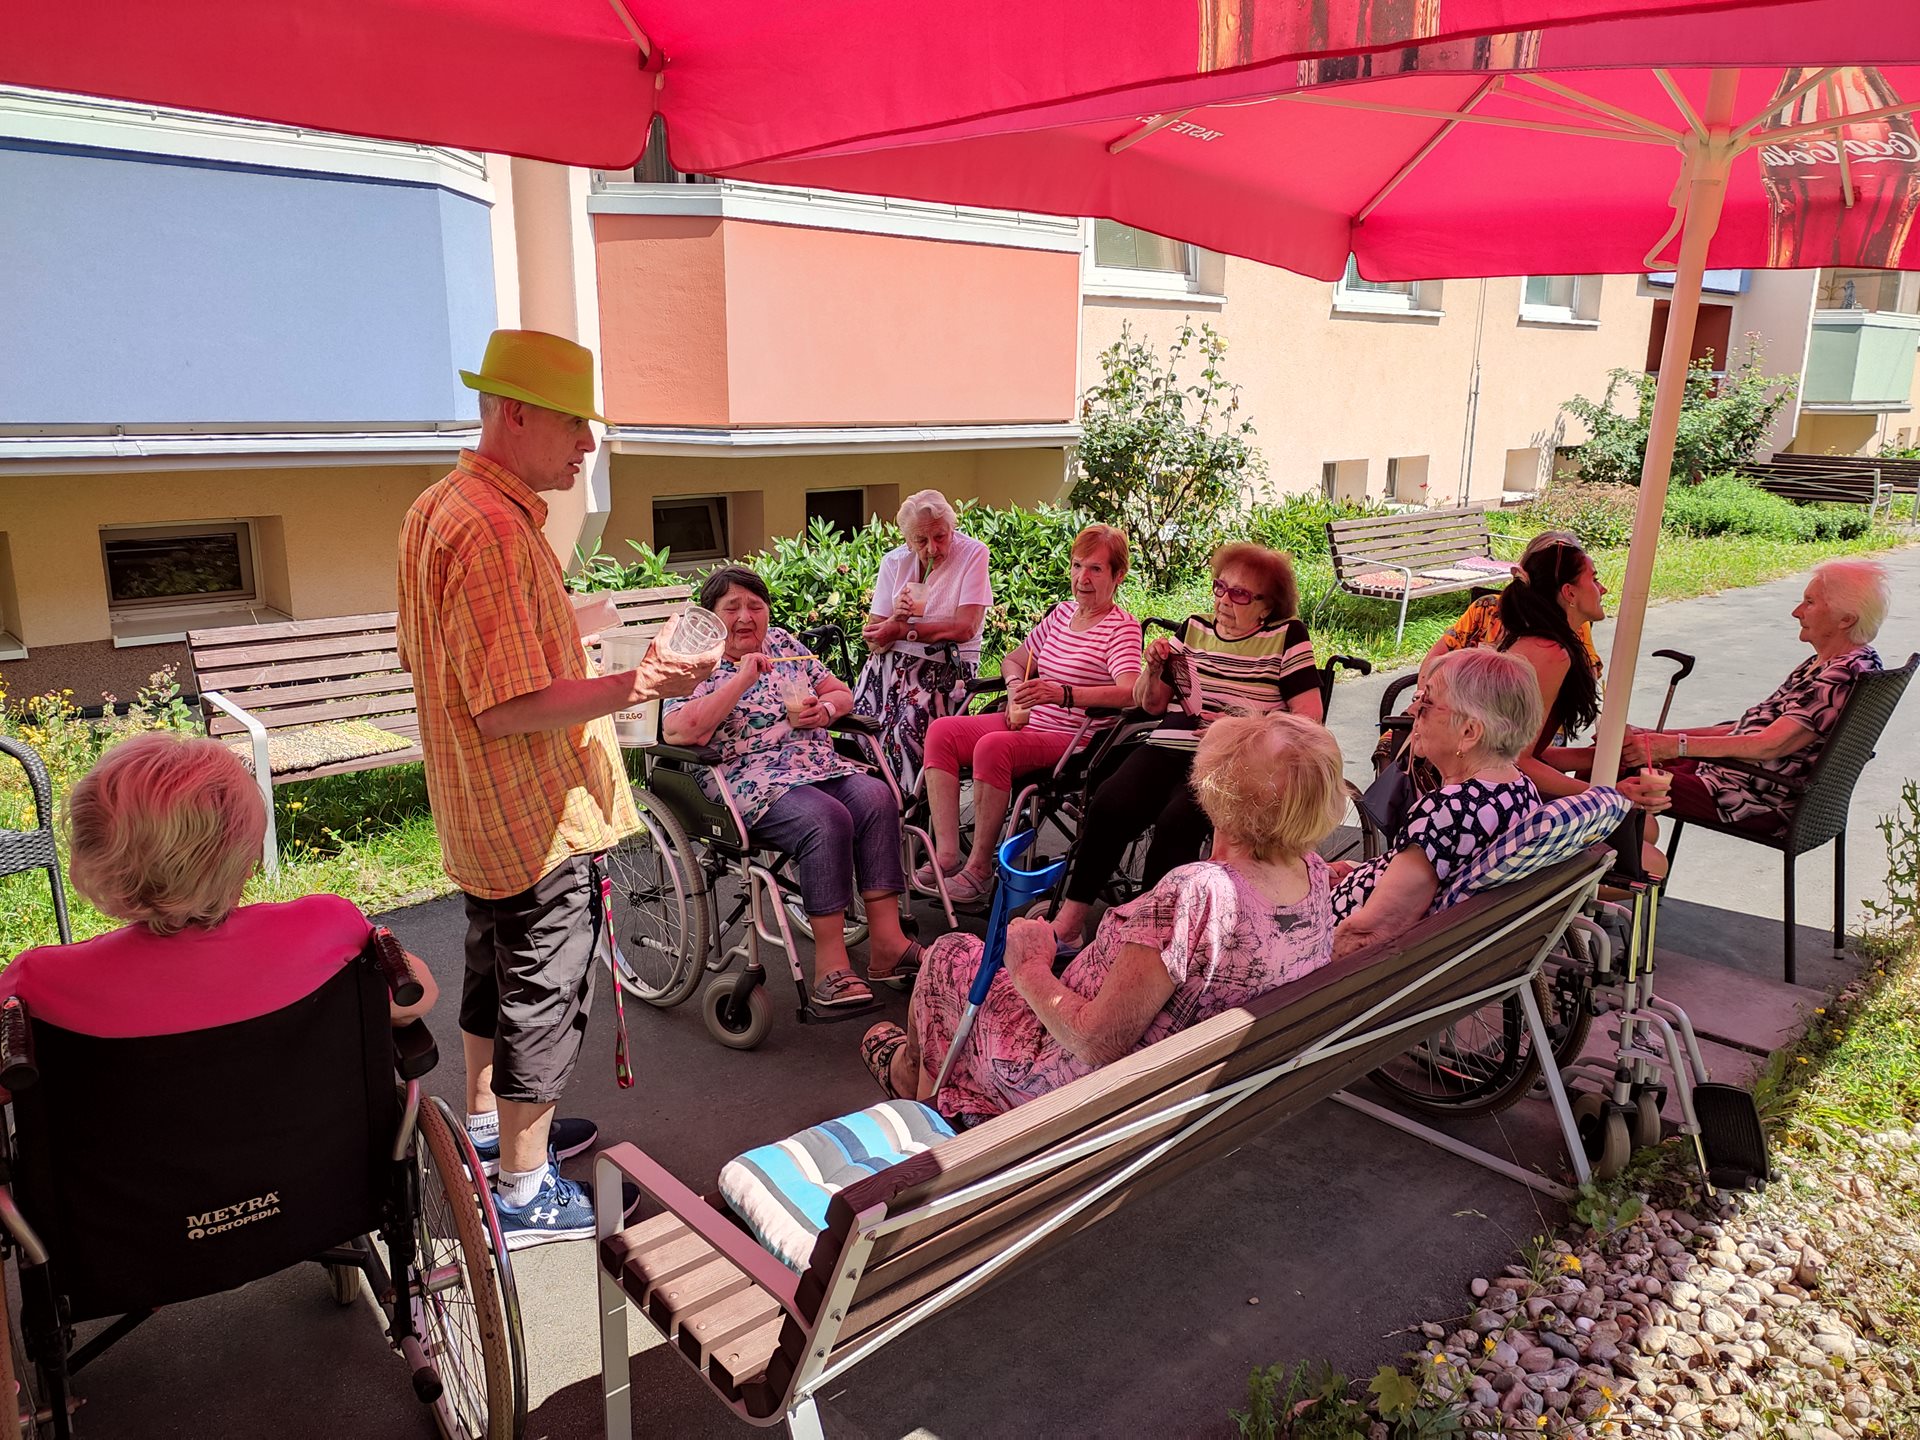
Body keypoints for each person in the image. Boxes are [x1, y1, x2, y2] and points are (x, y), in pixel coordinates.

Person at [395, 329, 719, 1248]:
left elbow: (437, 654)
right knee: (542, 989)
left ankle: (492, 1131)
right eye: (575, 421)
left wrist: (562, 626)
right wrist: (639, 683)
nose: (587, 443)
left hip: (478, 806)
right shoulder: (498, 530)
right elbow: (506, 706)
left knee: (494, 966)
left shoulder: (440, 507)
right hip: (537, 811)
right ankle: (525, 1188)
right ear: (515, 412)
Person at [861, 713, 1346, 1125]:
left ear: (1216, 793)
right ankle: (923, 1075)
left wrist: (1030, 965)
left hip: (1076, 1090)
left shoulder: (1198, 895)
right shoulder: (1310, 876)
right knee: (965, 965)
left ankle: (924, 1099)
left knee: (950, 954)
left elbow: (1097, 1041)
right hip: (1181, 1096)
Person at [0, 734, 438, 1042]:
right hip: (322, 1150)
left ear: (93, 853)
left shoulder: (39, 982)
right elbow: (418, 997)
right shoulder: (327, 927)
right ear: (245, 848)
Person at [662, 566, 923, 1007]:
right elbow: (680, 730)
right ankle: (831, 966)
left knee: (877, 797)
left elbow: (841, 693)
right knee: (826, 820)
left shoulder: (782, 643)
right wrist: (741, 679)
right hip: (744, 775)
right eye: (732, 608)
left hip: (815, 763)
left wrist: (825, 710)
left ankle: (888, 943)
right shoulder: (693, 660)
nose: (746, 617)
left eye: (755, 606)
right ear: (711, 617)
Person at [1046, 541, 1322, 953]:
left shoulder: (1286, 636)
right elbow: (1152, 704)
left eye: (1239, 594)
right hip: (1171, 744)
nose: (1223, 600)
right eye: (1220, 587)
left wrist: (1237, 731)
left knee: (1177, 822)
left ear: (1267, 605)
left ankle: (1149, 938)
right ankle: (1069, 924)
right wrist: (1153, 669)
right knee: (1109, 802)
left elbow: (1308, 718)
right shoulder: (1194, 628)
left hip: (1233, 760)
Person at [917, 524, 1144, 906]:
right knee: (942, 731)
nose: (1082, 578)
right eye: (1077, 566)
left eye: (1095, 569)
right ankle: (946, 855)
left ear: (1118, 575)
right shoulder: (1062, 614)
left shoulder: (1121, 629)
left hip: (1074, 737)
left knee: (993, 747)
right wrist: (1013, 689)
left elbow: (1130, 691)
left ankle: (979, 870)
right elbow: (1015, 659)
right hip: (1029, 720)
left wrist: (1064, 694)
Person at [1625, 558, 1890, 833]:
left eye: (1809, 603)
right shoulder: (1835, 663)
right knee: (1623, 756)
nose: (1796, 612)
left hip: (1748, 798)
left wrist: (1674, 746)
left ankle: (1631, 858)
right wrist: (1654, 736)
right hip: (1736, 777)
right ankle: (1637, 853)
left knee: (1612, 775)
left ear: (1846, 619)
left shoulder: (1843, 674)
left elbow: (1769, 745)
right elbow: (1746, 730)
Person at [1331, 649, 1543, 960]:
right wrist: (1357, 873)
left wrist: (1294, 954)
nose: (1412, 710)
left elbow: (1367, 936)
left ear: (1469, 732)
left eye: (1426, 703)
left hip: (1331, 957)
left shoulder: (1445, 812)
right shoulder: (1520, 790)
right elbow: (1436, 874)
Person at [1492, 538, 1669, 817]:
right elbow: (1515, 761)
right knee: (1643, 834)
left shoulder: (1543, 643)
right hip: (1494, 798)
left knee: (1643, 828)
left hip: (1496, 782)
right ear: (1569, 593)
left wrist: (1602, 756)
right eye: (1594, 579)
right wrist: (1608, 796)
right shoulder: (1550, 653)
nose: (1603, 589)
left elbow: (1528, 751)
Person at [852, 490, 993, 793]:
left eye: (940, 536)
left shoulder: (973, 554)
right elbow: (874, 640)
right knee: (858, 730)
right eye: (921, 540)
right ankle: (872, 807)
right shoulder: (894, 562)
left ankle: (909, 812)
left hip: (943, 669)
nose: (932, 548)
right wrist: (895, 619)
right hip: (886, 668)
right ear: (907, 540)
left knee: (907, 736)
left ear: (952, 528)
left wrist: (905, 630)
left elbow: (966, 627)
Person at [1420, 529, 1603, 679]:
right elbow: (1436, 657)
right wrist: (1423, 698)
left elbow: (1585, 681)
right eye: (1593, 579)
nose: (1603, 588)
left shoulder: (1572, 627)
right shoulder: (1487, 607)